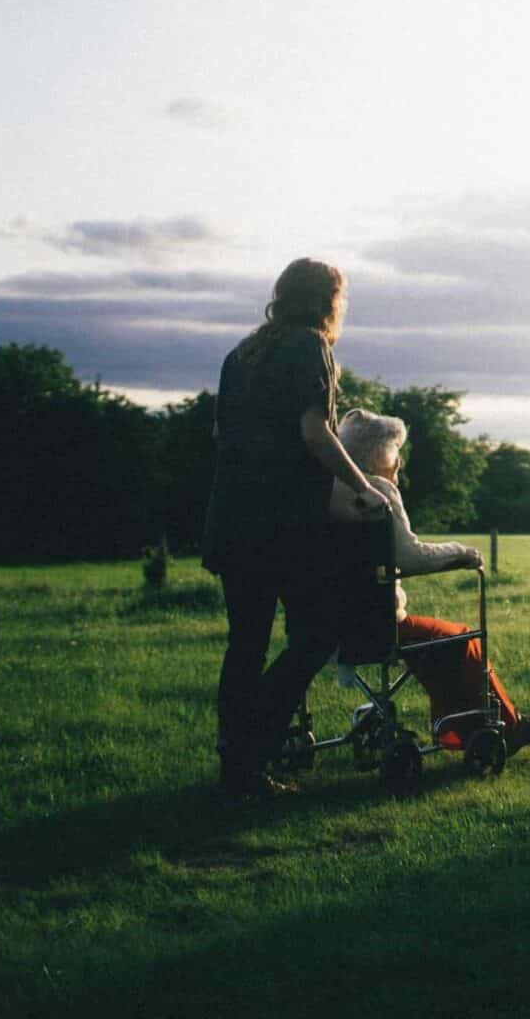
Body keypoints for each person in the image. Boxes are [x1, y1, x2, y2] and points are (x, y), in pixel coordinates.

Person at [202, 257, 390, 799]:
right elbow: (315, 433)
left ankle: (237, 765)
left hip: (232, 518)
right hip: (282, 525)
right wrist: (363, 486)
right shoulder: (310, 347)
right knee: (316, 635)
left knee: (246, 645)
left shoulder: (242, 353)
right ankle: (251, 745)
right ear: (329, 300)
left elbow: (222, 434)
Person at [328, 408, 530, 756]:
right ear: (377, 455)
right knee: (462, 639)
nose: (399, 462)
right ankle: (506, 727)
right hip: (376, 624)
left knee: (438, 643)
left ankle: (461, 730)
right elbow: (411, 557)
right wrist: (462, 552)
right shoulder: (378, 491)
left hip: (333, 621)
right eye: (395, 451)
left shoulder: (331, 490)